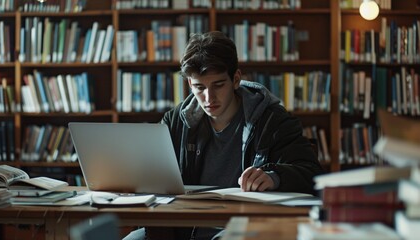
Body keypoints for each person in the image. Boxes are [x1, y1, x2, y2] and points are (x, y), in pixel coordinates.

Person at [124, 31, 323, 240]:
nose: (209, 98)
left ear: (236, 79)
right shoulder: (175, 122)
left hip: (243, 229)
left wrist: (274, 177)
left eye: (218, 85)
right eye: (200, 87)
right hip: (181, 229)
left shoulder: (272, 121)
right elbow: (146, 170)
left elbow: (311, 174)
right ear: (190, 85)